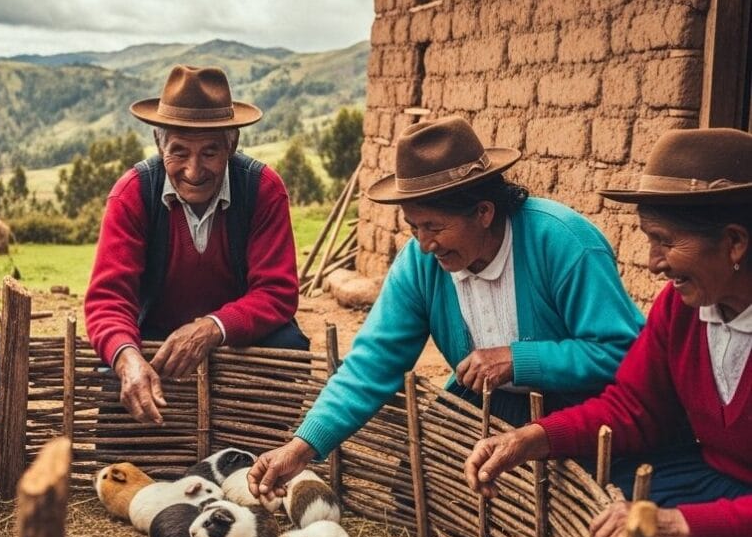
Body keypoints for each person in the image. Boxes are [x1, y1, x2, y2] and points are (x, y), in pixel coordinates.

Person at [464, 126, 752, 537]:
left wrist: (677, 524)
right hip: (715, 482)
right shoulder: (682, 308)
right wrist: (535, 437)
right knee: (608, 508)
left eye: (664, 241)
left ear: (735, 242)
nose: (651, 263)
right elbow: (637, 406)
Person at [249, 115, 643, 494]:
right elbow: (371, 363)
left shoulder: (562, 243)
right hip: (488, 405)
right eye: (414, 227)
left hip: (577, 409)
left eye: (434, 227)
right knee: (415, 491)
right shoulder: (420, 264)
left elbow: (623, 354)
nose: (423, 244)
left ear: (484, 212)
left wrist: (519, 359)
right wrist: (301, 447)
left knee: (584, 498)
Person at [85, 64, 308, 425]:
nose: (193, 170)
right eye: (178, 152)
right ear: (159, 146)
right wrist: (127, 357)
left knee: (286, 350)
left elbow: (277, 291)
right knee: (119, 380)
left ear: (231, 145)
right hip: (158, 336)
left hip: (240, 339)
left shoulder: (262, 189)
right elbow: (109, 299)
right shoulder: (133, 194)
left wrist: (212, 327)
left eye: (209, 152)